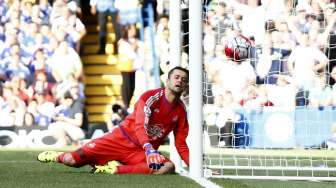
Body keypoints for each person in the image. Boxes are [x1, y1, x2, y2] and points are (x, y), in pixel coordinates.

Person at [37, 66, 190, 175]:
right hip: (119, 140)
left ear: (185, 86)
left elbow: (181, 144)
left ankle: (113, 169)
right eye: (176, 77)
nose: (179, 81)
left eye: (183, 80)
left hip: (140, 152)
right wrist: (150, 149)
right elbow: (140, 127)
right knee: (72, 160)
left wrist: (194, 166)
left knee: (168, 167)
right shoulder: (150, 98)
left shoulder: (181, 111)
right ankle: (57, 156)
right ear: (168, 81)